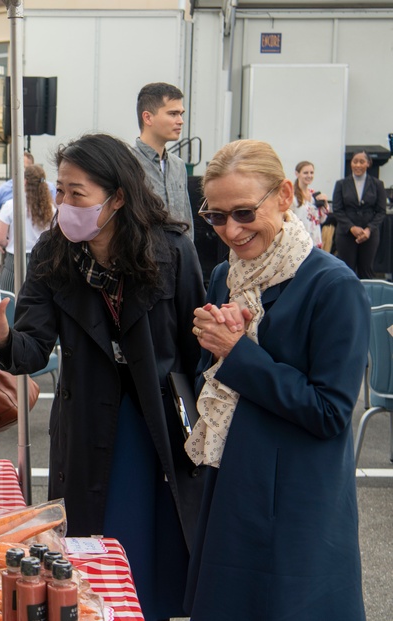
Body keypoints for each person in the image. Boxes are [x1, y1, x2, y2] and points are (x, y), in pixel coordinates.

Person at [0, 134, 205, 621]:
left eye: (77, 193)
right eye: (60, 191)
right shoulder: (53, 253)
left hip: (158, 419)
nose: (64, 204)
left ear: (118, 197)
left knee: (157, 542)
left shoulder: (172, 250)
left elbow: (195, 349)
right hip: (90, 415)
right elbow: (29, 350)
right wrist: (0, 334)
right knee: (95, 544)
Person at [184, 139, 368, 620]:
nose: (232, 230)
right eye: (217, 217)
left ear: (285, 195)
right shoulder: (227, 273)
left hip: (296, 499)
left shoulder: (333, 285)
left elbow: (330, 413)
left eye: (244, 212)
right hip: (231, 483)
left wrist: (237, 352)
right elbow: (216, 378)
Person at [132, 82, 193, 239]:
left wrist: (189, 259)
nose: (180, 121)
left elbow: (187, 220)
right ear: (148, 117)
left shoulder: (178, 165)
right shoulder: (128, 163)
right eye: (173, 114)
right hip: (144, 259)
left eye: (181, 114)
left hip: (178, 258)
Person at [0, 164, 54, 293]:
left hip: (14, 261)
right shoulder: (51, 209)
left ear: (25, 181)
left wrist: (7, 243)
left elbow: (0, 239)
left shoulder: (11, 205)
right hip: (43, 260)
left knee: (9, 304)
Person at [332, 149, 387, 278]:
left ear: (368, 163)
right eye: (355, 161)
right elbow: (337, 209)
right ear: (351, 163)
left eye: (362, 162)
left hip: (369, 235)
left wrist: (369, 229)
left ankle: (365, 298)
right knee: (346, 270)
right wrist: (351, 228)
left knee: (366, 271)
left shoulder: (377, 184)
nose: (358, 165)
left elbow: (381, 211)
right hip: (346, 233)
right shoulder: (341, 184)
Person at [0, 151, 56, 240]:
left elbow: (57, 216)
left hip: (43, 247)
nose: (19, 171)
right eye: (16, 167)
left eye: (23, 168)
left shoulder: (49, 188)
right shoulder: (4, 189)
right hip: (13, 247)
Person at [290, 160, 327, 248]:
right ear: (297, 174)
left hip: (315, 240)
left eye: (311, 173)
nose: (309, 176)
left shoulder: (314, 195)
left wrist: (324, 204)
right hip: (299, 241)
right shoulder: (292, 196)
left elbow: (322, 220)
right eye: (305, 173)